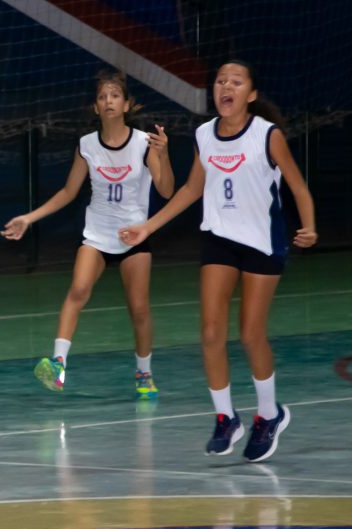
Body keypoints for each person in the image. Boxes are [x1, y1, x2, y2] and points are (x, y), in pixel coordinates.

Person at [119, 60, 317, 462]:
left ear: (251, 94)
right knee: (210, 332)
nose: (226, 85)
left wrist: (309, 226)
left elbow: (297, 186)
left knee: (250, 334)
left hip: (262, 242)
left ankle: (269, 414)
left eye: (236, 81)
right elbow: (193, 189)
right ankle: (226, 417)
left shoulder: (267, 136)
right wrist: (148, 227)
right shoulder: (204, 135)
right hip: (219, 239)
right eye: (220, 81)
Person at [1, 71, 174, 400]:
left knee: (139, 310)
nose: (108, 101)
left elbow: (166, 190)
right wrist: (29, 218)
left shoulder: (143, 144)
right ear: (96, 107)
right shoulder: (87, 145)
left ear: (126, 104)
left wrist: (163, 155)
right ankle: (58, 366)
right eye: (102, 97)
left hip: (134, 237)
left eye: (114, 96)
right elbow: (68, 192)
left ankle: (144, 372)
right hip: (96, 235)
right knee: (78, 290)